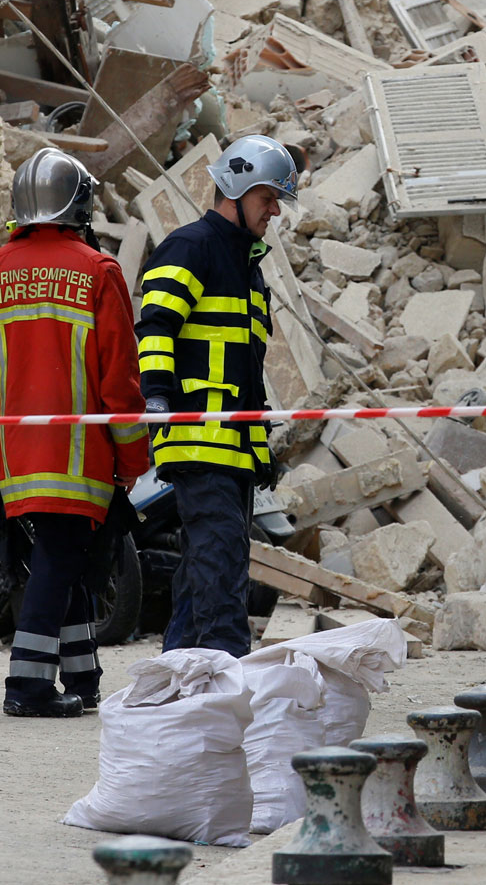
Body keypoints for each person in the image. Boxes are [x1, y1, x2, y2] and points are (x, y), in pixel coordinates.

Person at [0, 147, 153, 718]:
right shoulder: (98, 270)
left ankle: (83, 679)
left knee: (66, 562)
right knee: (64, 561)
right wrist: (134, 459)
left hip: (15, 457)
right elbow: (120, 378)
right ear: (79, 205)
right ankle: (29, 686)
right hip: (81, 456)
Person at [135, 134, 301, 657]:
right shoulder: (192, 247)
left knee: (205, 565)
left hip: (230, 446)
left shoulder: (247, 269)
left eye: (277, 200)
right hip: (196, 439)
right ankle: (226, 670)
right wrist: (158, 397)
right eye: (267, 197)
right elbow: (156, 326)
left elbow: (244, 375)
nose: (275, 210)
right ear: (236, 186)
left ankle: (178, 670)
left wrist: (260, 451)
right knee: (220, 561)